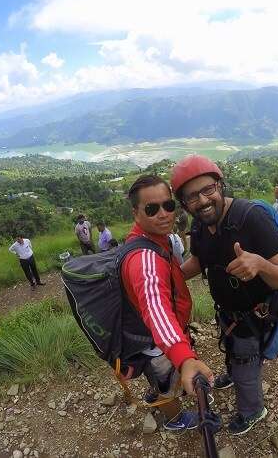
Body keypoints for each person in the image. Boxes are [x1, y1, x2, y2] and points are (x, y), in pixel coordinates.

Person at [172, 155, 278, 436]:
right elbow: (199, 261)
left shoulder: (252, 218)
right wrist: (165, 279)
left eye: (207, 190)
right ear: (184, 204)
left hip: (255, 314)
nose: (202, 201)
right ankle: (235, 371)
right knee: (234, 349)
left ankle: (252, 410)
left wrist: (260, 264)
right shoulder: (201, 226)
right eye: (192, 197)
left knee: (245, 364)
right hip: (228, 313)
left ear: (220, 185)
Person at [121, 174, 214, 430]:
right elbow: (156, 309)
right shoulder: (145, 259)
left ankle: (161, 388)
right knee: (165, 383)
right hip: (157, 344)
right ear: (135, 213)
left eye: (168, 205)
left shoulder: (154, 240)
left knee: (165, 377)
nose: (163, 214)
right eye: (152, 209)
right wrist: (184, 357)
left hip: (161, 338)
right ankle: (174, 419)